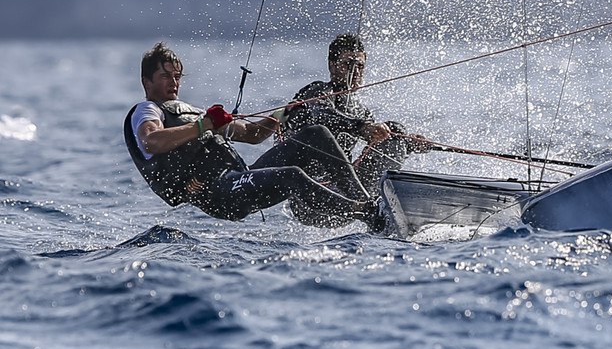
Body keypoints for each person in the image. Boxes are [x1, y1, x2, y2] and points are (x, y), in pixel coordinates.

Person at [124, 42, 383, 229]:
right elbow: (152, 141)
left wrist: (284, 113)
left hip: (239, 176)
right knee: (292, 175)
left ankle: (368, 201)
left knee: (315, 135)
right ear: (146, 81)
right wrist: (205, 125)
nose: (174, 82)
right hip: (218, 192)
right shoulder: (147, 110)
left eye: (177, 76)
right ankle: (367, 214)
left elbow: (252, 134)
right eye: (165, 76)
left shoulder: (192, 113)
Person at [282, 34, 433, 191]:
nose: (355, 72)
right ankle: (366, 205)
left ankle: (377, 203)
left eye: (360, 66)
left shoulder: (360, 111)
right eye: (348, 65)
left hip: (345, 185)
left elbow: (376, 147)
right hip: (309, 188)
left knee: (394, 131)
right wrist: (362, 127)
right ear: (332, 65)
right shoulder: (316, 91)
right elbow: (323, 117)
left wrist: (409, 144)